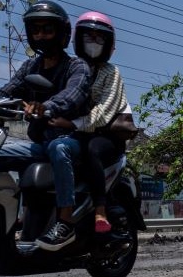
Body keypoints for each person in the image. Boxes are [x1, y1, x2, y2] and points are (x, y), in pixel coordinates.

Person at [0, 2, 92, 250]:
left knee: (59, 148)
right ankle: (4, 220)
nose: (41, 35)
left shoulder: (76, 66)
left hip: (74, 140)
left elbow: (73, 95)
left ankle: (65, 223)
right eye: (36, 30)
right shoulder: (30, 67)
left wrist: (45, 107)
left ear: (61, 32)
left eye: (47, 29)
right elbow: (6, 92)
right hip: (41, 144)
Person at [54, 11, 130, 235]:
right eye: (89, 37)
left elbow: (103, 114)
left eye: (99, 38)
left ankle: (100, 209)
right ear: (78, 39)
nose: (93, 43)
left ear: (109, 44)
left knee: (91, 150)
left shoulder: (111, 72)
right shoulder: (70, 67)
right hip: (75, 131)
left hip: (106, 135)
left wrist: (72, 124)